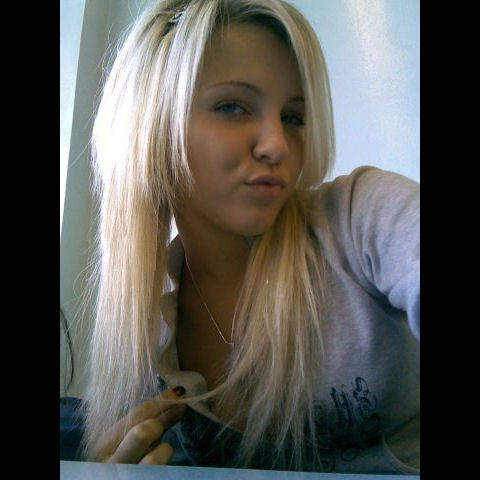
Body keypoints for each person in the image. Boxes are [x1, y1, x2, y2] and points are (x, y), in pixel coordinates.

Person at [60, 0, 419, 474]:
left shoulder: (361, 216)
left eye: (294, 117)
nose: (277, 146)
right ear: (149, 126)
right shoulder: (143, 328)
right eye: (232, 107)